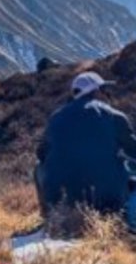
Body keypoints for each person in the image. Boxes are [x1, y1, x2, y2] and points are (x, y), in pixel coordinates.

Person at [35, 70, 136, 227]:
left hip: (62, 203)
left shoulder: (55, 118)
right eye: (104, 89)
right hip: (107, 201)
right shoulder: (115, 116)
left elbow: (41, 154)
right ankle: (130, 222)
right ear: (96, 91)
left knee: (37, 167)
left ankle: (47, 217)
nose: (107, 94)